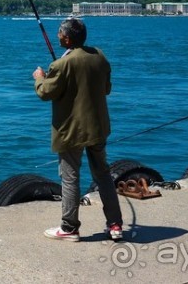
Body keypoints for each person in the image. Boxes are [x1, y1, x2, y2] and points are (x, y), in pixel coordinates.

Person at [32, 17, 123, 242]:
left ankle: (69, 227)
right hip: (98, 127)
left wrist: (39, 78)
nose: (57, 36)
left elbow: (45, 93)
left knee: (70, 177)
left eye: (60, 33)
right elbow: (106, 89)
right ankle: (115, 224)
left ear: (68, 38)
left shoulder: (61, 65)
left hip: (72, 130)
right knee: (103, 175)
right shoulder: (99, 57)